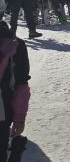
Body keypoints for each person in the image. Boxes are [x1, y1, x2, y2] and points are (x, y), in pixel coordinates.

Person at [0, 20, 30, 161]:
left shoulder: (15, 45)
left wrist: (19, 118)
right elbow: (21, 87)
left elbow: (21, 86)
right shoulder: (15, 44)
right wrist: (19, 118)